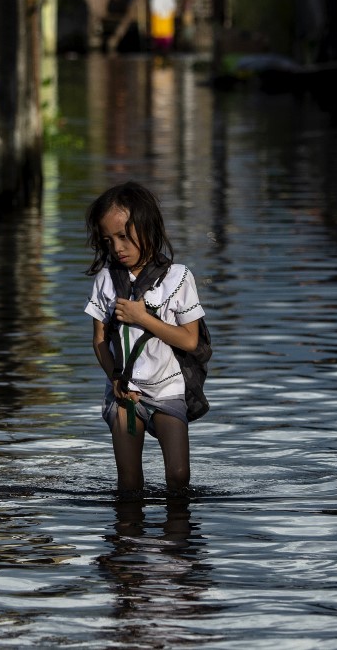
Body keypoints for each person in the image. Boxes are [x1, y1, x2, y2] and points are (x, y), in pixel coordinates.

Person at [84, 181, 205, 497]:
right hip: (126, 394)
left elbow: (190, 341)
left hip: (168, 388)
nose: (117, 248)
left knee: (179, 477)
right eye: (109, 240)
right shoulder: (106, 280)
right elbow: (99, 339)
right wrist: (115, 378)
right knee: (129, 484)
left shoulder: (178, 278)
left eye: (124, 236)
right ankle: (126, 541)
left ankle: (175, 543)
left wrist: (143, 318)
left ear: (148, 228)